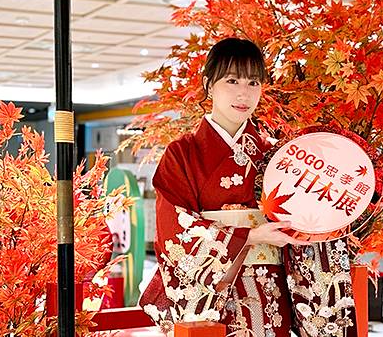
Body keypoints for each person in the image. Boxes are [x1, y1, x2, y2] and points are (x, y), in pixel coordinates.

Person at [139, 38, 357, 337]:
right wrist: (250, 236)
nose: (244, 92)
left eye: (254, 82)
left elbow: (310, 220)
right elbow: (173, 227)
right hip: (214, 293)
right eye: (232, 80)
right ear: (208, 85)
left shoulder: (278, 154)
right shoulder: (183, 152)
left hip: (271, 288)